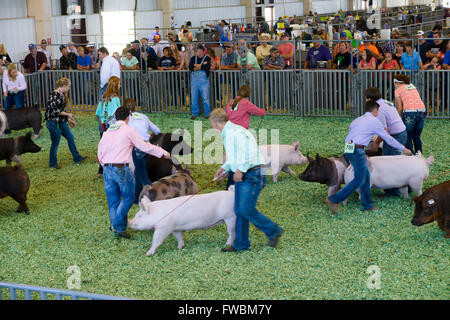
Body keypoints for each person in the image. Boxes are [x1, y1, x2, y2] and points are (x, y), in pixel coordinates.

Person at [210, 108, 284, 252]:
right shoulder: (231, 131)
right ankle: (241, 244)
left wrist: (240, 170)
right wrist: (224, 168)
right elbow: (236, 156)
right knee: (239, 210)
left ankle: (273, 230)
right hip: (248, 173)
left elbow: (249, 154)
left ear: (215, 122)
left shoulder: (233, 133)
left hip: (252, 174)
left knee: (245, 209)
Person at [326, 100, 412, 214]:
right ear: (375, 110)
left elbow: (352, 136)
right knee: (360, 179)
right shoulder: (374, 121)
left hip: (350, 147)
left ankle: (367, 205)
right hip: (357, 149)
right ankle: (334, 199)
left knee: (365, 178)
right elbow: (388, 138)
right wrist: (403, 149)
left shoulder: (357, 120)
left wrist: (356, 152)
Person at [97, 106, 170, 239]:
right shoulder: (129, 130)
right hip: (121, 168)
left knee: (113, 201)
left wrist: (104, 165)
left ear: (115, 118)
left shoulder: (108, 131)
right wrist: (163, 152)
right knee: (129, 197)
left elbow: (100, 150)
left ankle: (119, 229)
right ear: (128, 117)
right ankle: (116, 223)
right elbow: (144, 146)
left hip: (107, 168)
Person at [365, 87, 407, 197]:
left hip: (395, 135)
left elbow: (385, 131)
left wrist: (376, 143)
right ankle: (401, 186)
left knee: (389, 164)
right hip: (401, 132)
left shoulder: (378, 110)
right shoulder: (386, 102)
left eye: (366, 98)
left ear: (369, 99)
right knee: (395, 161)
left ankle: (392, 191)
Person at [123, 98, 161, 204]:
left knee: (141, 174)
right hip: (147, 146)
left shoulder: (125, 120)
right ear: (135, 107)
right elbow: (157, 130)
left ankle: (155, 192)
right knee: (139, 172)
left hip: (136, 148)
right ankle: (136, 198)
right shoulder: (144, 117)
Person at [44, 77, 88, 169]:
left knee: (70, 138)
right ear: (63, 86)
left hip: (61, 121)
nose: (69, 88)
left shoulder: (61, 94)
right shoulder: (54, 96)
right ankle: (52, 163)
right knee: (55, 143)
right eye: (69, 86)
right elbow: (56, 111)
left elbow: (61, 110)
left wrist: (68, 120)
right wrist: (68, 115)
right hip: (53, 122)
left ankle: (76, 157)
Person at [95, 76, 122, 176]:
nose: (120, 85)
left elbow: (97, 113)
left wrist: (103, 122)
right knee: (113, 148)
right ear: (115, 85)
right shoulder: (115, 98)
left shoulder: (103, 97)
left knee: (104, 147)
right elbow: (117, 113)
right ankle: (113, 170)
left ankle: (101, 170)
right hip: (112, 127)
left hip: (102, 126)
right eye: (119, 83)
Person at [394, 74, 426, 154]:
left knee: (408, 135)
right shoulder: (413, 87)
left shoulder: (398, 90)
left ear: (397, 82)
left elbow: (400, 108)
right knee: (416, 135)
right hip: (422, 110)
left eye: (394, 83)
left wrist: (396, 119)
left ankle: (410, 156)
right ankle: (419, 154)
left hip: (409, 112)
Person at [189, 45, 211, 120]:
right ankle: (195, 113)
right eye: (196, 50)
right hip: (194, 82)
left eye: (197, 50)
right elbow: (191, 67)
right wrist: (201, 66)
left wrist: (197, 66)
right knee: (194, 98)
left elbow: (207, 67)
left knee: (205, 98)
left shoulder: (207, 58)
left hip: (204, 82)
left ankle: (207, 113)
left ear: (202, 51)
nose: (196, 52)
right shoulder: (192, 58)